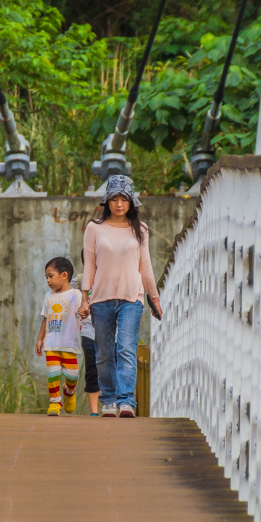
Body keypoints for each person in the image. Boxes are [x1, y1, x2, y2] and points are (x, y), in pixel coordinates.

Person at [79, 175, 161, 418]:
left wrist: (153, 298)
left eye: (123, 199)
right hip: (101, 299)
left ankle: (126, 401)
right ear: (107, 202)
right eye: (114, 199)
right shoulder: (94, 228)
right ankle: (108, 399)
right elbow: (90, 266)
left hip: (131, 299)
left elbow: (145, 266)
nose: (118, 204)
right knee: (104, 353)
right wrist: (85, 298)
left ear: (131, 202)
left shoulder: (141, 229)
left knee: (126, 348)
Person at [35, 257, 83, 416]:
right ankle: (55, 403)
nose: (48, 280)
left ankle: (69, 392)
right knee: (53, 374)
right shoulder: (48, 296)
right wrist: (40, 339)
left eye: (51, 276)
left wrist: (85, 311)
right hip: (51, 344)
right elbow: (45, 318)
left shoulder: (75, 294)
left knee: (72, 375)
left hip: (69, 344)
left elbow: (84, 309)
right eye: (46, 277)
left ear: (64, 275)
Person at [71, 251, 100, 416]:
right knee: (92, 369)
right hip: (88, 332)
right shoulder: (81, 279)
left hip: (113, 333)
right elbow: (66, 292)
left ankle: (114, 407)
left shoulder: (112, 279)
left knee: (112, 370)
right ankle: (94, 412)